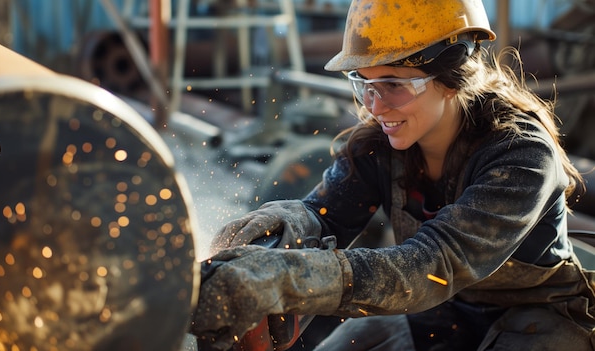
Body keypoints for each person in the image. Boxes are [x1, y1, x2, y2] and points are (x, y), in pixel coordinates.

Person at [190, 1, 595, 350]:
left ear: (453, 76)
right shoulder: (379, 147)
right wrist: (285, 228)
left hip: (538, 318)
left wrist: (285, 278)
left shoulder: (520, 154)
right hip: (445, 311)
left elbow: (431, 266)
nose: (376, 106)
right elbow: (326, 215)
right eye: (364, 84)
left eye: (393, 85)